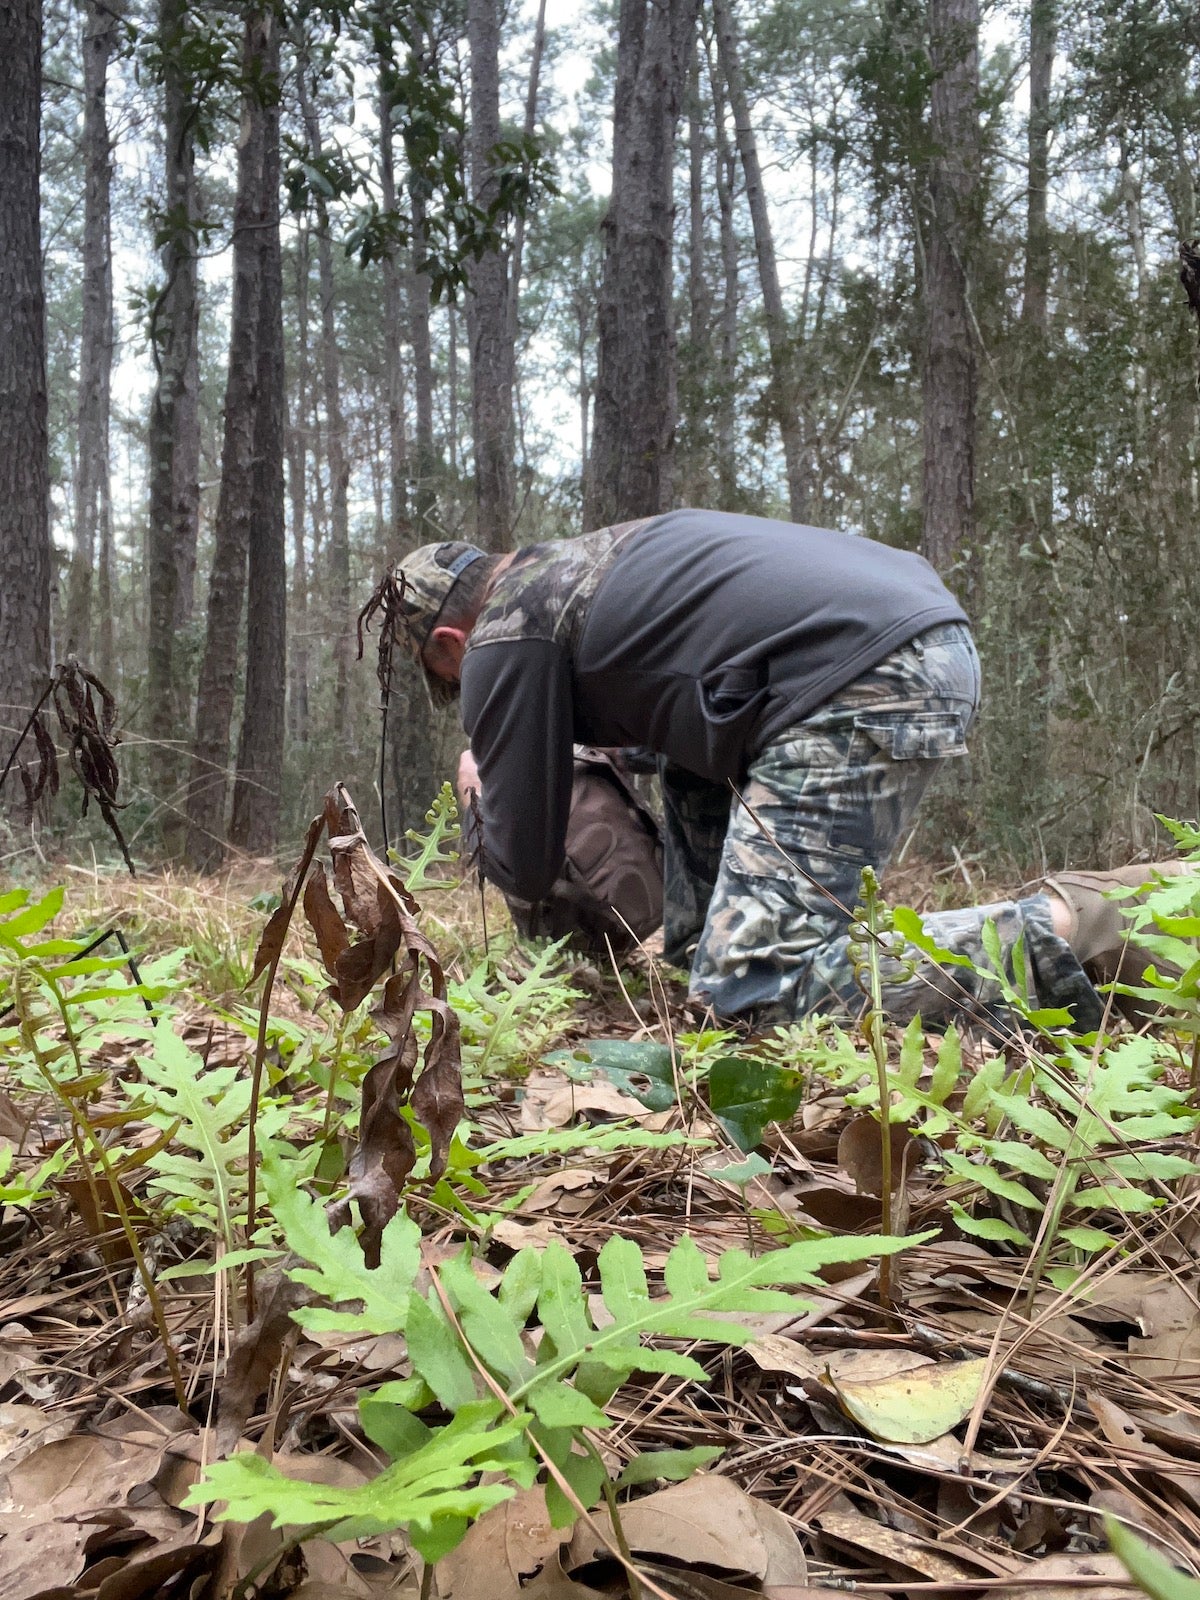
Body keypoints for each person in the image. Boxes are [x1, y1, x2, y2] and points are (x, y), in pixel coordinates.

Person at [393, 509, 1188, 1032]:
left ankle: (1094, 921)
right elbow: (687, 699)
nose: (464, 697)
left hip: (858, 677)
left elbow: (526, 865)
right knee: (706, 958)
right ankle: (728, 969)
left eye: (452, 687)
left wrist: (481, 793)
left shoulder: (505, 630)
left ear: (448, 648)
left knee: (756, 990)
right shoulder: (577, 568)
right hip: (905, 641)